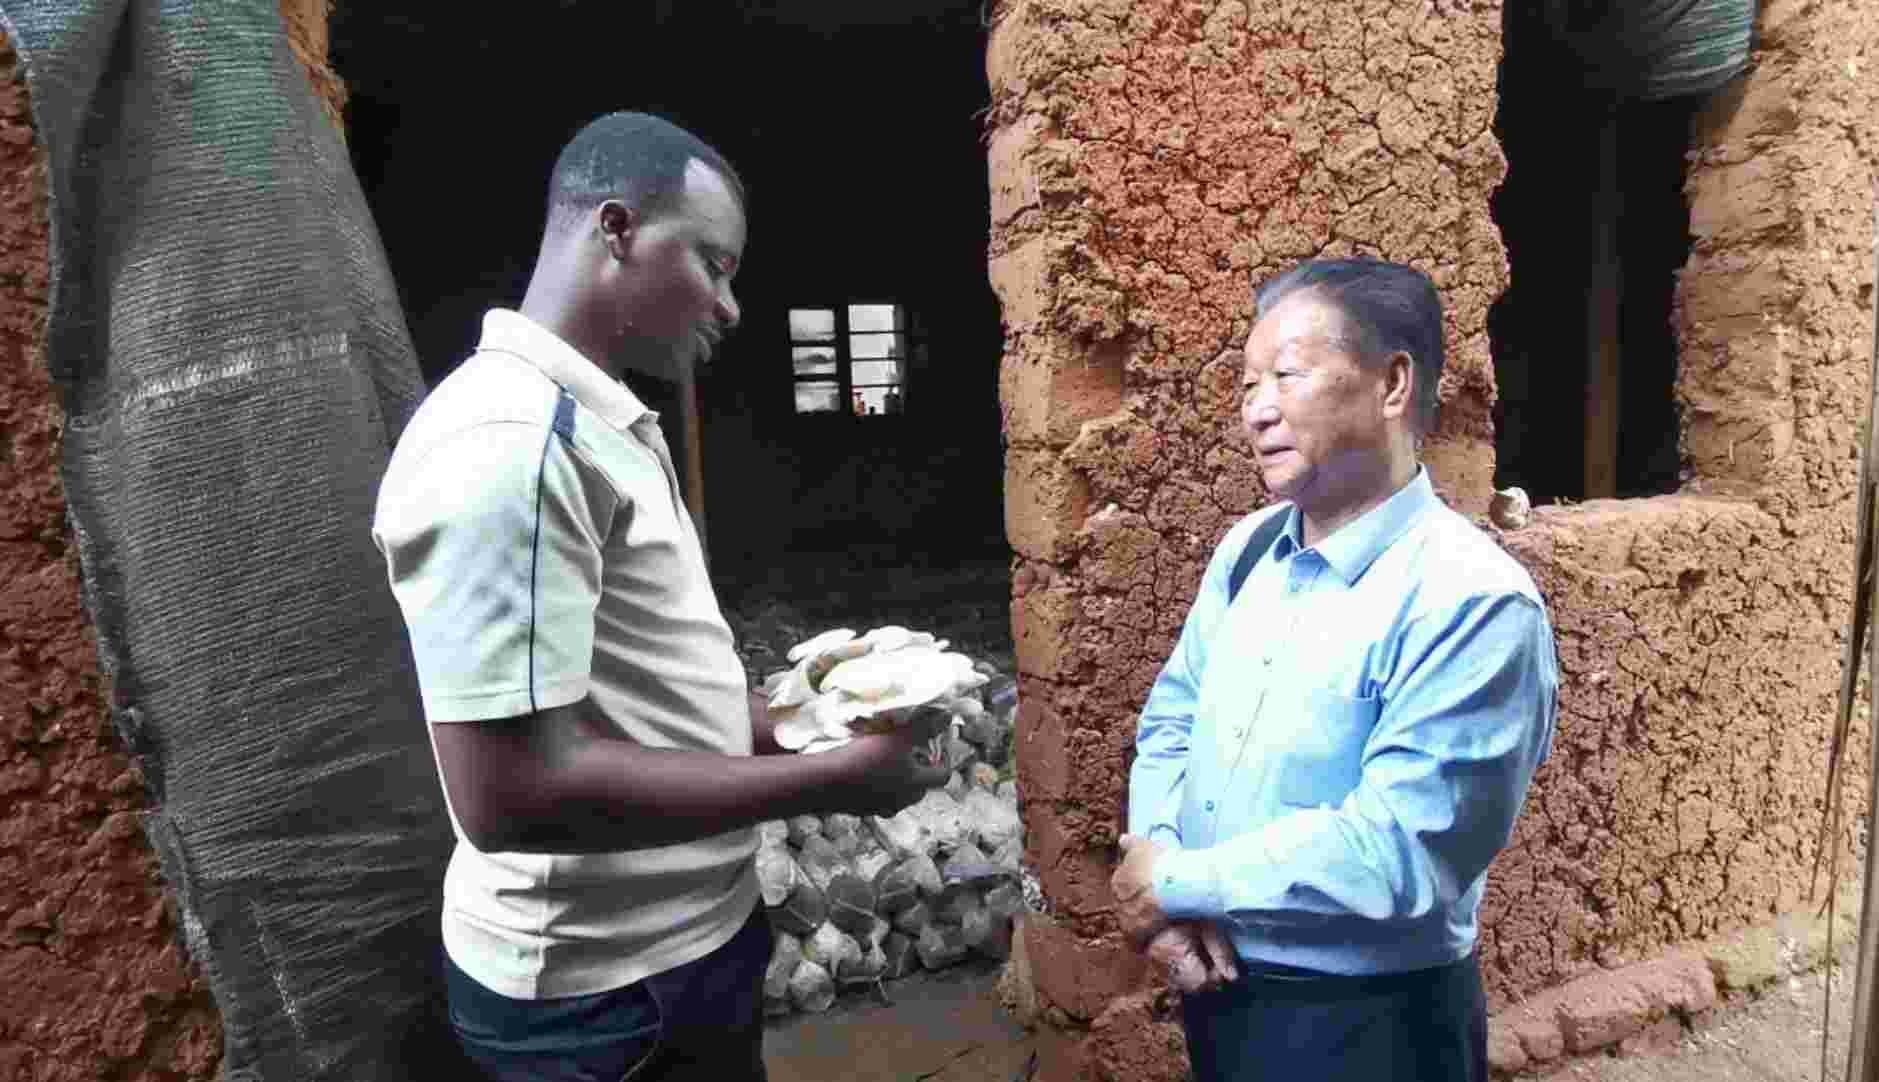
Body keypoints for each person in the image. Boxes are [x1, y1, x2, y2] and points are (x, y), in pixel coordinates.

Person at [372, 112, 949, 1082]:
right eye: (712, 265)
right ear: (617, 229)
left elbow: (641, 696)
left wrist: (815, 725)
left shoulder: (602, 425)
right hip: (601, 997)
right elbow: (511, 794)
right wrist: (832, 782)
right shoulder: (509, 444)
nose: (729, 305)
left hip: (682, 945)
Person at [1110, 258, 1558, 1081]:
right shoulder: (1248, 551)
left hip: (1365, 1024)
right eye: (1247, 386)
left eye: (1286, 376)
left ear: (1392, 384)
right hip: (1214, 983)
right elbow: (1173, 719)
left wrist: (1176, 882)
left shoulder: (1470, 600)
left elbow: (1400, 849)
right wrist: (1163, 874)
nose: (1257, 410)